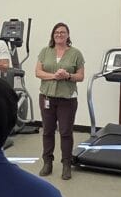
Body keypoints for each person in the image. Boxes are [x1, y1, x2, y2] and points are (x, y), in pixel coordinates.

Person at [35, 22, 86, 180]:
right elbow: (38, 72)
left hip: (67, 100)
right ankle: (47, 162)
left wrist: (68, 76)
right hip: (47, 97)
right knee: (48, 131)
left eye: (63, 32)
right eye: (56, 32)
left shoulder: (76, 53)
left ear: (68, 35)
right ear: (53, 35)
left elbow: (81, 76)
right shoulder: (45, 51)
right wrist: (54, 76)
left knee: (65, 132)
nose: (59, 35)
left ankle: (66, 164)